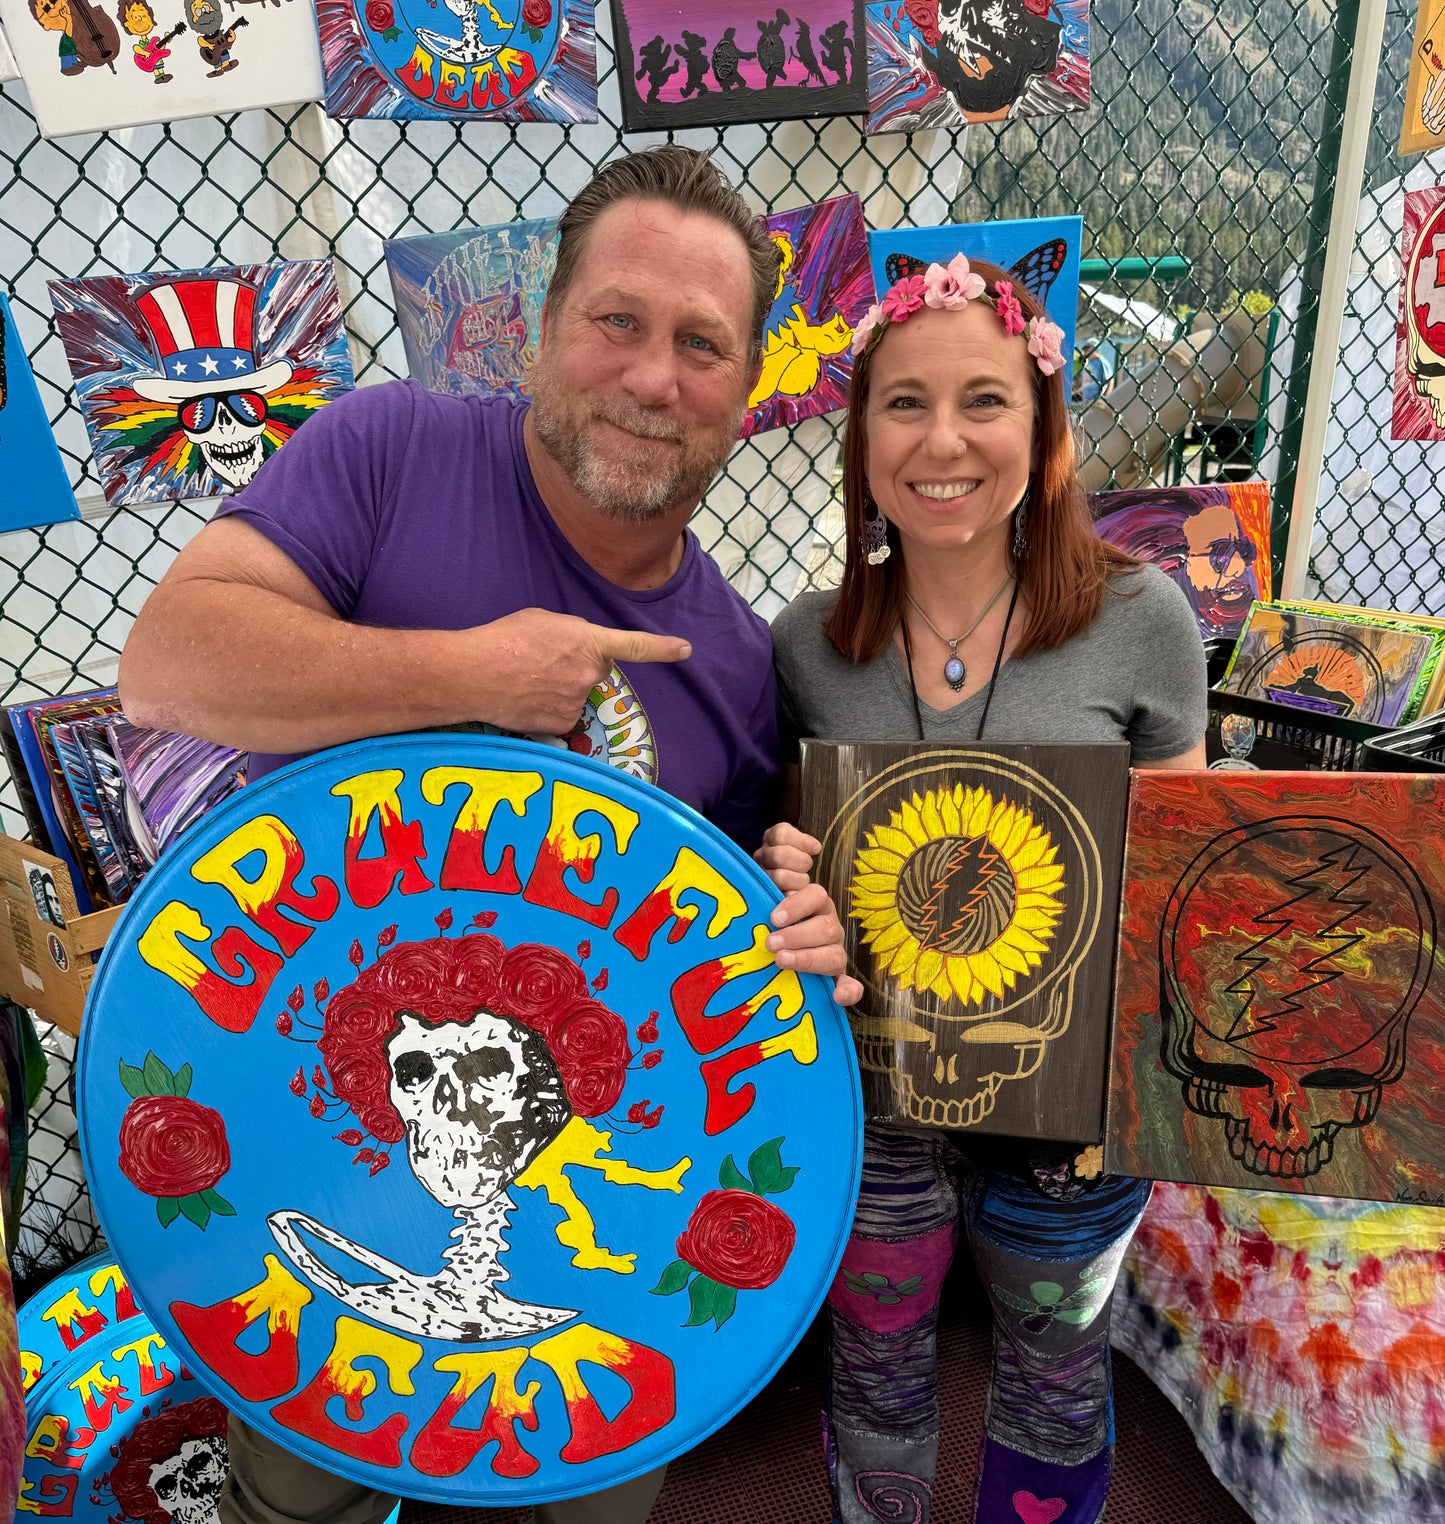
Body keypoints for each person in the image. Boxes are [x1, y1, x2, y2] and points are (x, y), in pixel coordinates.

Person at [120, 145, 860, 1524]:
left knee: (586, 1497)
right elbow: (172, 660)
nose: (653, 378)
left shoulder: (736, 658)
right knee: (293, 1484)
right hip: (299, 1159)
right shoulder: (389, 447)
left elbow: (730, 925)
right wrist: (470, 677)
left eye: (703, 346)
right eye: (618, 321)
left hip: (583, 1249)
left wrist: (795, 919)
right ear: (540, 333)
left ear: (748, 390)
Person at [763, 255, 1207, 1524]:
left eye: (983, 400)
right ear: (857, 438)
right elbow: (785, 862)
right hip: (872, 1097)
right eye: (902, 403)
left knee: (1056, 1372)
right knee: (878, 1355)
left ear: (1040, 422)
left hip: (1071, 1121)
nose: (941, 439)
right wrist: (784, 871)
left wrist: (1128, 1081)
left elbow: (1175, 883)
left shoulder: (1141, 620)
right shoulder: (806, 641)